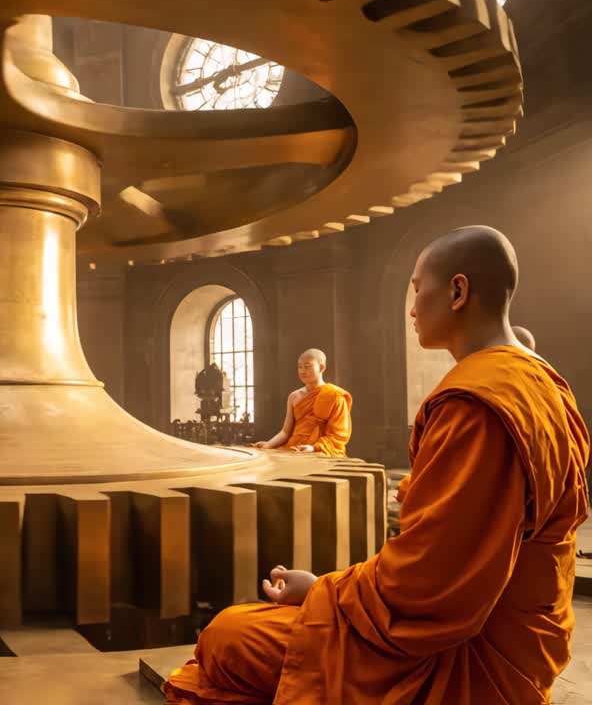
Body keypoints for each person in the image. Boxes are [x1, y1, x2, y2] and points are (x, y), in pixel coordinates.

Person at [165, 226, 589, 704]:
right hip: (518, 626)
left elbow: (429, 588)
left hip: (463, 650)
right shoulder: (543, 383)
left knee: (225, 637)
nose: (411, 308)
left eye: (415, 288)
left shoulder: (478, 406)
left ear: (457, 290)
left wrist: (322, 589)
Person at [252, 349, 352, 456]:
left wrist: (314, 447)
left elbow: (338, 436)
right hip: (294, 448)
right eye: (300, 367)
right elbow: (286, 432)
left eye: (307, 367)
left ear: (321, 367)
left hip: (320, 451)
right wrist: (268, 444)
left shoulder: (335, 395)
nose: (302, 371)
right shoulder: (294, 396)